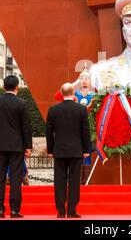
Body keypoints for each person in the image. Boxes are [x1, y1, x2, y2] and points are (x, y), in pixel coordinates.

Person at [0, 75, 33, 218]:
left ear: (3, 87)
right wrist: (28, 146)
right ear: (17, 87)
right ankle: (14, 210)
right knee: (16, 178)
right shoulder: (22, 104)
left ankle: (0, 209)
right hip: (17, 147)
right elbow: (26, 127)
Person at [46, 83, 91, 218]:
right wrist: (86, 149)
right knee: (74, 181)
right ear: (73, 92)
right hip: (76, 150)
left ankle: (60, 211)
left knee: (59, 181)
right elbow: (85, 131)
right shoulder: (81, 109)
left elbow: (48, 131)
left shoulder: (53, 110)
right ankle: (72, 210)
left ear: (61, 92)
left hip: (59, 150)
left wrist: (50, 149)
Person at [74, 67, 96, 185]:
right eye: (82, 78)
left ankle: (86, 180)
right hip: (76, 130)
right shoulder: (74, 95)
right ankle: (77, 181)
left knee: (88, 154)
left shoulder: (94, 95)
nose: (84, 81)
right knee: (77, 154)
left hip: (89, 129)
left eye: (86, 78)